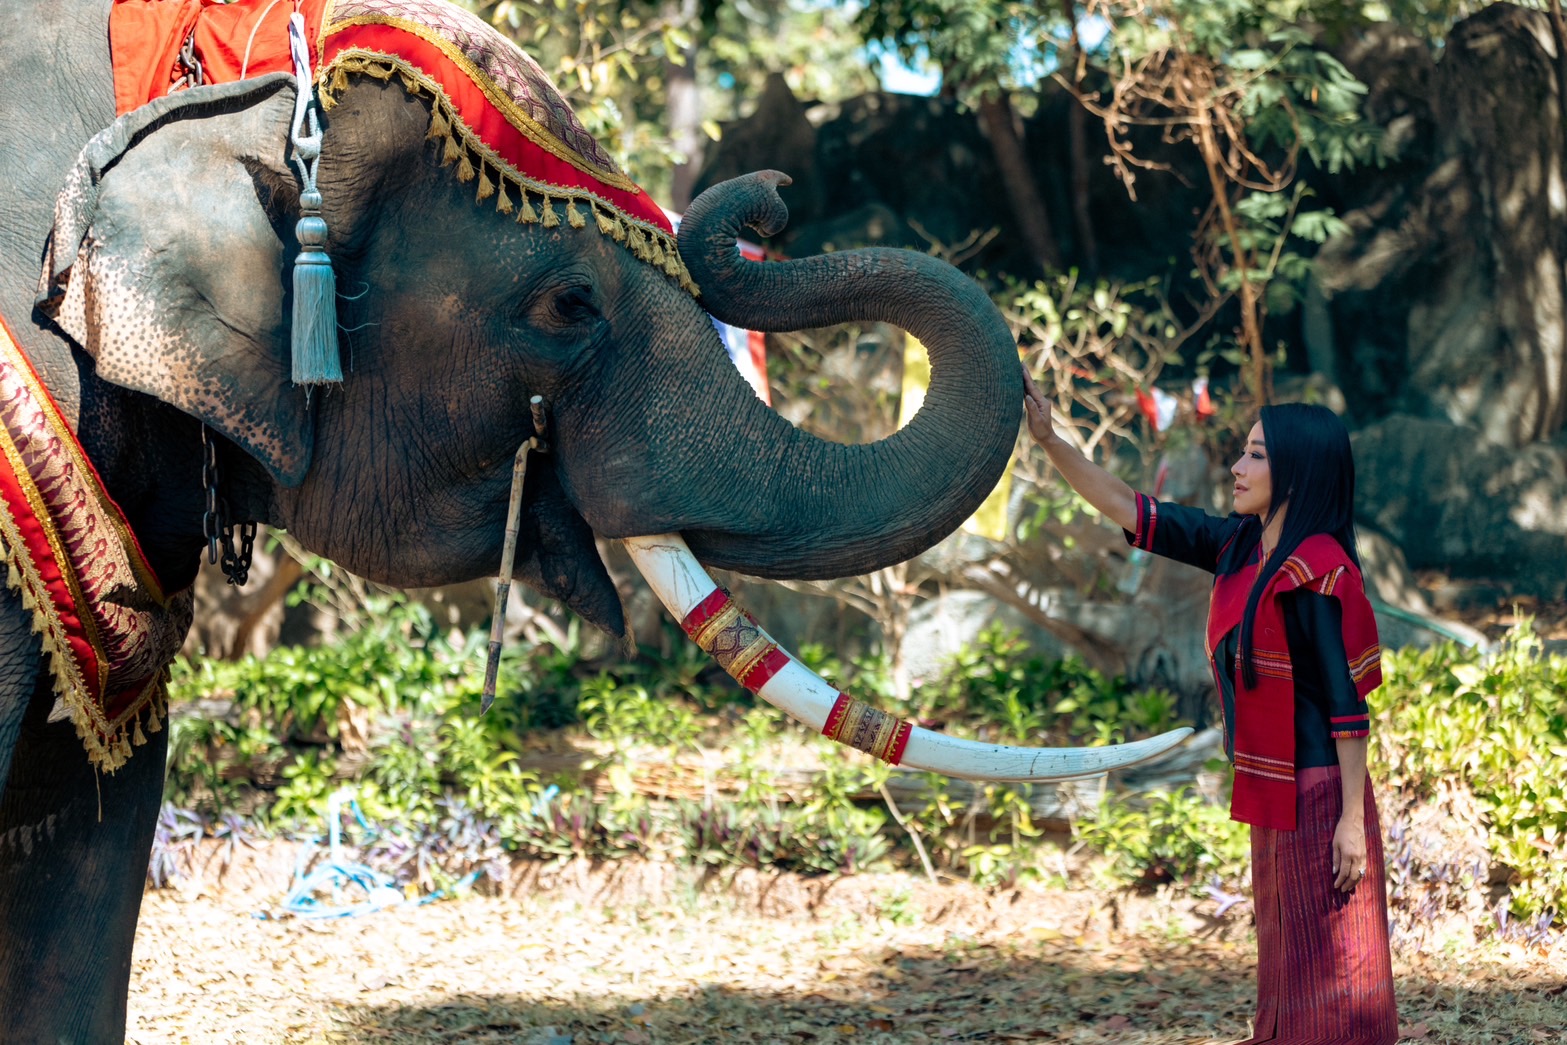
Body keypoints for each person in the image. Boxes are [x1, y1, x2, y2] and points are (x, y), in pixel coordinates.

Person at [1022, 371, 1398, 1045]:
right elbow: (1129, 507)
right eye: (1242, 451)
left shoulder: (1317, 569)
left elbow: (1347, 710)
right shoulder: (1238, 546)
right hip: (1272, 787)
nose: (1236, 467)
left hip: (1319, 794)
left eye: (1256, 454)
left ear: (1296, 472)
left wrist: (1350, 822)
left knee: (1331, 967)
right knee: (1287, 957)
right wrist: (1050, 440)